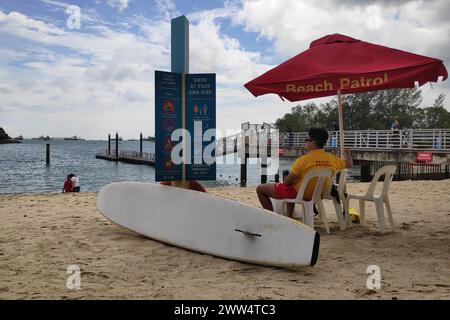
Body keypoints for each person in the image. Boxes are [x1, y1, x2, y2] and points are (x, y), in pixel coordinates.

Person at [256, 128, 352, 217]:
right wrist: (347, 153)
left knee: (260, 188)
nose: (305, 141)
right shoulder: (332, 159)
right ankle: (289, 216)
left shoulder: (303, 160)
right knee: (292, 185)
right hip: (318, 195)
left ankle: (271, 217)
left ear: (313, 142)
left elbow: (286, 183)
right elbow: (349, 164)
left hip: (299, 194)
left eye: (307, 139)